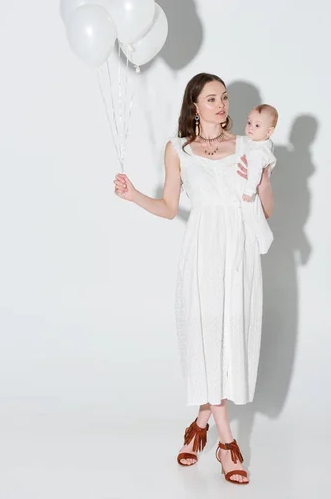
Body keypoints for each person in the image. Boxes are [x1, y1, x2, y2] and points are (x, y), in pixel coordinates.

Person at [114, 73, 274, 485]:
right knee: (206, 338)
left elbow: (268, 210)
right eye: (211, 98)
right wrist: (133, 195)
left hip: (237, 253)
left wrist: (263, 178)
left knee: (226, 341)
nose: (221, 105)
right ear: (194, 106)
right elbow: (170, 208)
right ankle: (225, 442)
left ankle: (199, 424)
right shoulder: (178, 150)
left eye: (224, 98)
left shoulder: (246, 145)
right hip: (202, 252)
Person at [241, 104, 278, 255]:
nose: (251, 128)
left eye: (257, 125)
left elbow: (255, 172)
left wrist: (249, 191)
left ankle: (265, 237)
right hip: (255, 184)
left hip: (253, 189)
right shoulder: (261, 142)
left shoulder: (257, 151)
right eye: (249, 123)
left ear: (269, 131)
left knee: (252, 215)